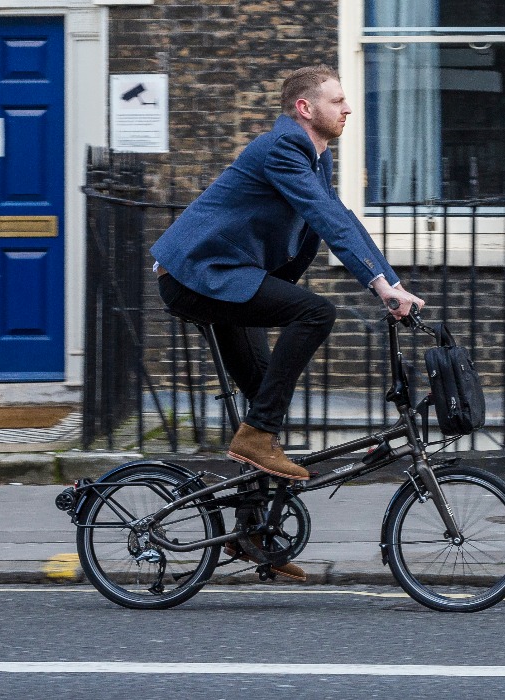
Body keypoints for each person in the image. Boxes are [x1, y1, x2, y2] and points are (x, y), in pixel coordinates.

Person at [151, 65, 424, 483]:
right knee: (315, 313)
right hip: (197, 276)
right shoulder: (284, 147)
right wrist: (379, 285)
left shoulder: (316, 157)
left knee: (265, 404)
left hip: (229, 278)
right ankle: (256, 438)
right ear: (305, 108)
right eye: (336, 101)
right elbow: (325, 218)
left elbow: (340, 217)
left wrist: (392, 283)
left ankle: (252, 529)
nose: (348, 108)